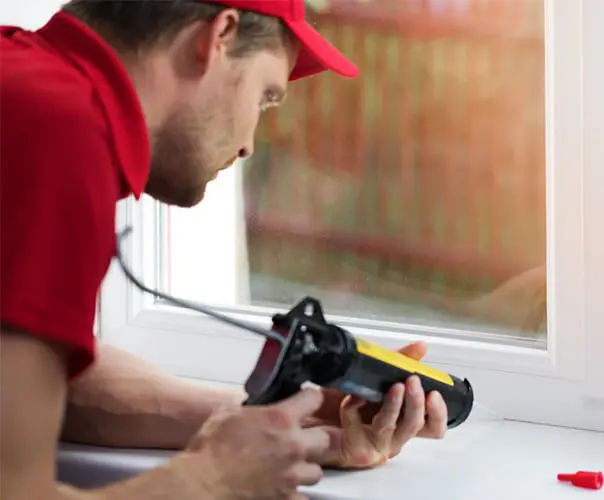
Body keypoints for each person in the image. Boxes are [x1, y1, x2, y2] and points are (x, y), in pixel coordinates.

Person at [0, 1, 449, 499]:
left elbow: (41, 385)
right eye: (265, 97)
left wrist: (282, 423)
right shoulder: (57, 135)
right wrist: (209, 480)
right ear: (219, 38)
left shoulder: (21, 83)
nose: (249, 145)